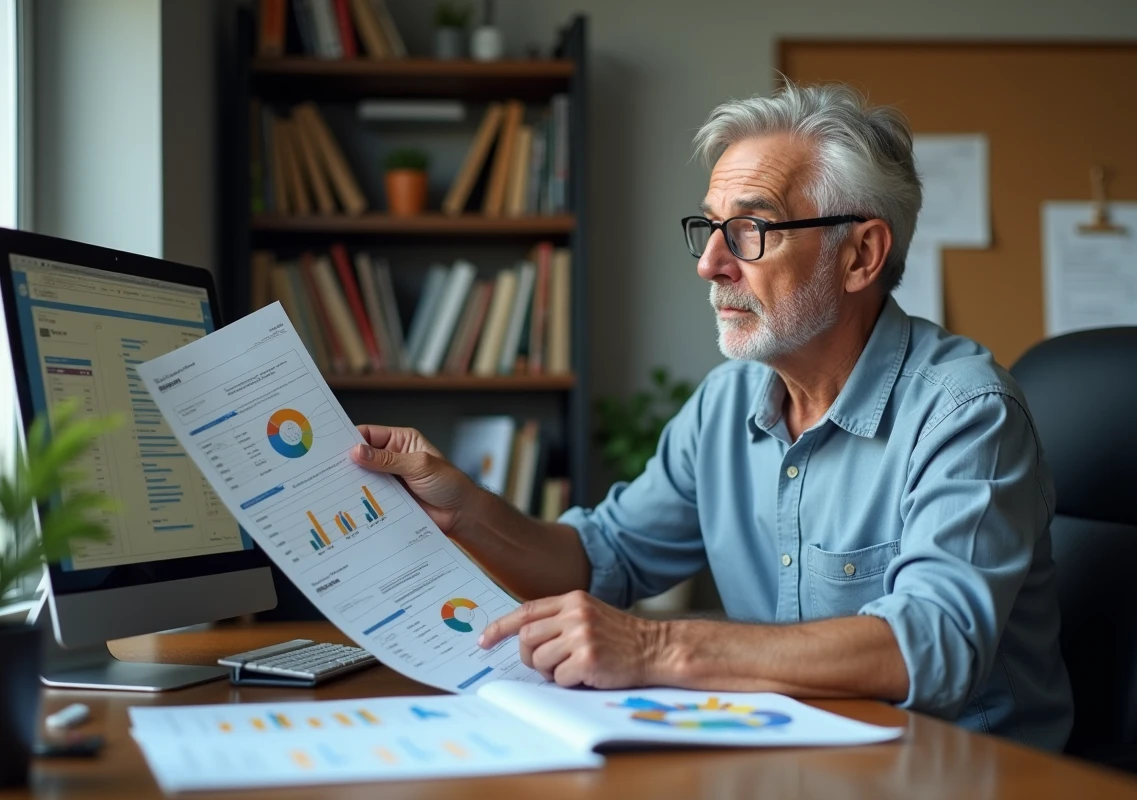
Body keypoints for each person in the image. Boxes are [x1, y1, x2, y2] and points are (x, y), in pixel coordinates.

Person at [350, 81, 1073, 750]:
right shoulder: (729, 402)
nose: (712, 264)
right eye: (710, 228)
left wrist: (657, 648)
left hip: (962, 773)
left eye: (752, 230)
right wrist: (462, 509)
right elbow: (604, 558)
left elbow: (934, 643)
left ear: (860, 255)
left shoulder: (966, 412)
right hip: (797, 757)